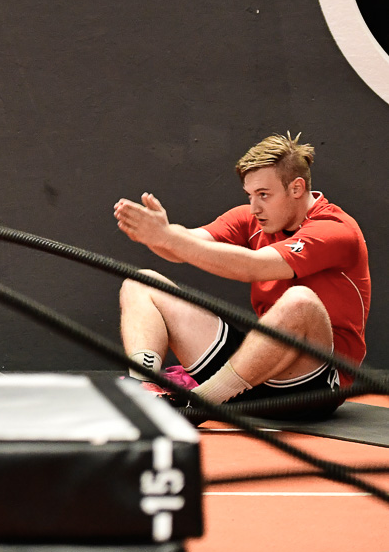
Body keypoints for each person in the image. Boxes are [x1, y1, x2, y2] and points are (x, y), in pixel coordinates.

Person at [115, 133, 369, 421]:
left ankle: (198, 404)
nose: (254, 207)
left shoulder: (336, 230)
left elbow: (255, 266)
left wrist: (170, 239)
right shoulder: (252, 219)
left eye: (264, 194)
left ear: (297, 188)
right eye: (250, 195)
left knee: (301, 302)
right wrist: (160, 234)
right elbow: (186, 245)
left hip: (313, 385)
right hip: (253, 373)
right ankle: (143, 387)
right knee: (141, 282)